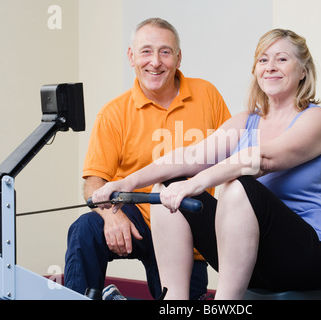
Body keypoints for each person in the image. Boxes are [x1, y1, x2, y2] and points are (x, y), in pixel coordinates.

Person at [92, 29, 321, 300]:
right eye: (263, 60)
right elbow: (188, 157)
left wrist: (196, 183)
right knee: (168, 184)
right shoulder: (246, 120)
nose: (270, 67)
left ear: (303, 71)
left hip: (311, 257)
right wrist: (124, 183)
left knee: (238, 187)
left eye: (282, 59)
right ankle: (174, 300)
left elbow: (261, 160)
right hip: (254, 254)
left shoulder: (316, 120)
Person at [64, 17, 231, 300]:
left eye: (165, 52)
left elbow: (232, 158)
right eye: (145, 51)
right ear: (131, 56)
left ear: (179, 58)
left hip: (187, 222)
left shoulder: (207, 95)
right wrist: (109, 216)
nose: (155, 61)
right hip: (136, 219)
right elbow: (94, 184)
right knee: (85, 229)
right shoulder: (114, 113)